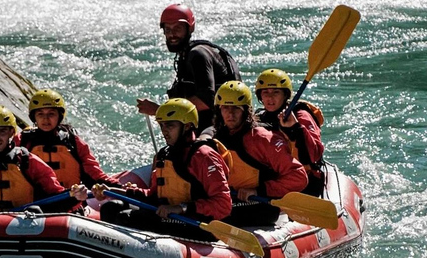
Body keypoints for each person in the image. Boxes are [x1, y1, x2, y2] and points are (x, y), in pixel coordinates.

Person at [93, 98, 232, 241]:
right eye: (162, 126)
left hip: (195, 224)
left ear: (187, 126)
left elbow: (223, 205)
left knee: (126, 218)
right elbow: (153, 196)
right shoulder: (164, 155)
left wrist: (182, 208)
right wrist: (115, 192)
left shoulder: (204, 156)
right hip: (169, 218)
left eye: (170, 126)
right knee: (110, 207)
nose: (164, 131)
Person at [213, 81, 308, 226]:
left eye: (236, 109)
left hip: (259, 207)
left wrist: (259, 191)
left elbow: (299, 177)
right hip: (229, 204)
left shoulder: (263, 139)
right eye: (225, 108)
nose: (230, 114)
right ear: (219, 111)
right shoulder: (217, 139)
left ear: (246, 111)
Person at [136, 4, 241, 133]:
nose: (172, 34)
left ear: (189, 29)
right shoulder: (187, 55)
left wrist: (160, 110)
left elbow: (207, 99)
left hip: (219, 129)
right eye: (168, 30)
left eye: (177, 28)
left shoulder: (198, 54)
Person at [18, 88, 123, 190]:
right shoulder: (23, 140)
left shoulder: (73, 141)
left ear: (59, 116)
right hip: (34, 203)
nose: (46, 119)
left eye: (51, 114)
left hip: (70, 201)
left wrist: (119, 186)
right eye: (40, 114)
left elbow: (94, 172)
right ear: (34, 117)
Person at [254, 69, 326, 196]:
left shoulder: (301, 115)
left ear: (285, 95)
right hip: (274, 179)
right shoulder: (258, 117)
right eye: (265, 92)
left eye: (276, 92)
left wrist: (295, 128)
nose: (270, 97)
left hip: (306, 181)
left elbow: (314, 154)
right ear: (260, 96)